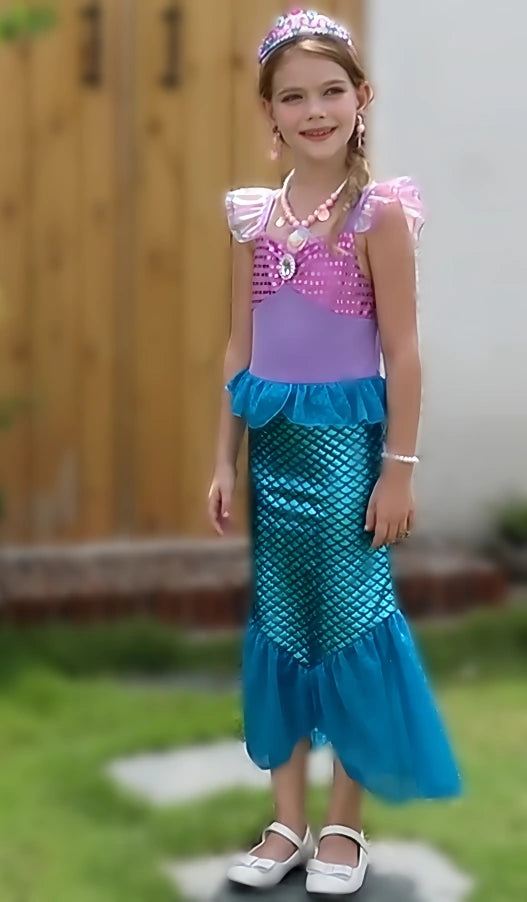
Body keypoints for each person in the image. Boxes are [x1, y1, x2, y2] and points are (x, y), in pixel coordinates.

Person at [206, 9, 462, 896]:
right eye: (292, 97)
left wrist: (399, 468)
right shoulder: (249, 219)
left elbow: (405, 352)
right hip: (272, 458)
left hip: (349, 458)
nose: (313, 110)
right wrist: (220, 458)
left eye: (330, 91)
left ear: (362, 98)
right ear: (267, 114)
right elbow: (239, 350)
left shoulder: (377, 216)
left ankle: (343, 827)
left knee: (351, 626)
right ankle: (286, 818)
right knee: (281, 628)